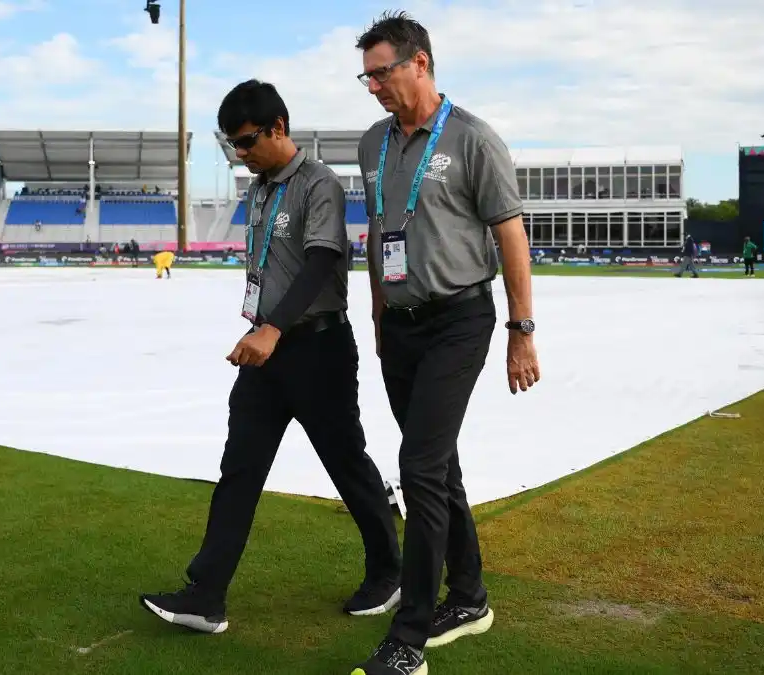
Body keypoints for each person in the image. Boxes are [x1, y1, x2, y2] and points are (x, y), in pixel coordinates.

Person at [139, 79, 402, 635]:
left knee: (347, 464)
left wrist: (274, 328)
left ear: (279, 127)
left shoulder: (319, 184)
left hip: (317, 347)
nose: (241, 153)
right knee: (239, 468)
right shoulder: (258, 188)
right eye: (233, 145)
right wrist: (264, 329)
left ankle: (389, 570)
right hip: (267, 349)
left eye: (248, 141)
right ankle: (206, 595)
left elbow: (319, 262)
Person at [349, 12, 539, 675]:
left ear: (419, 64)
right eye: (366, 75)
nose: (372, 86)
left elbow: (511, 234)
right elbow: (378, 234)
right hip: (399, 326)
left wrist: (522, 330)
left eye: (381, 72)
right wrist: (376, 316)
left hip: (460, 318)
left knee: (419, 465)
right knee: (439, 464)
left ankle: (409, 640)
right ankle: (471, 595)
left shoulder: (472, 139)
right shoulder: (373, 143)